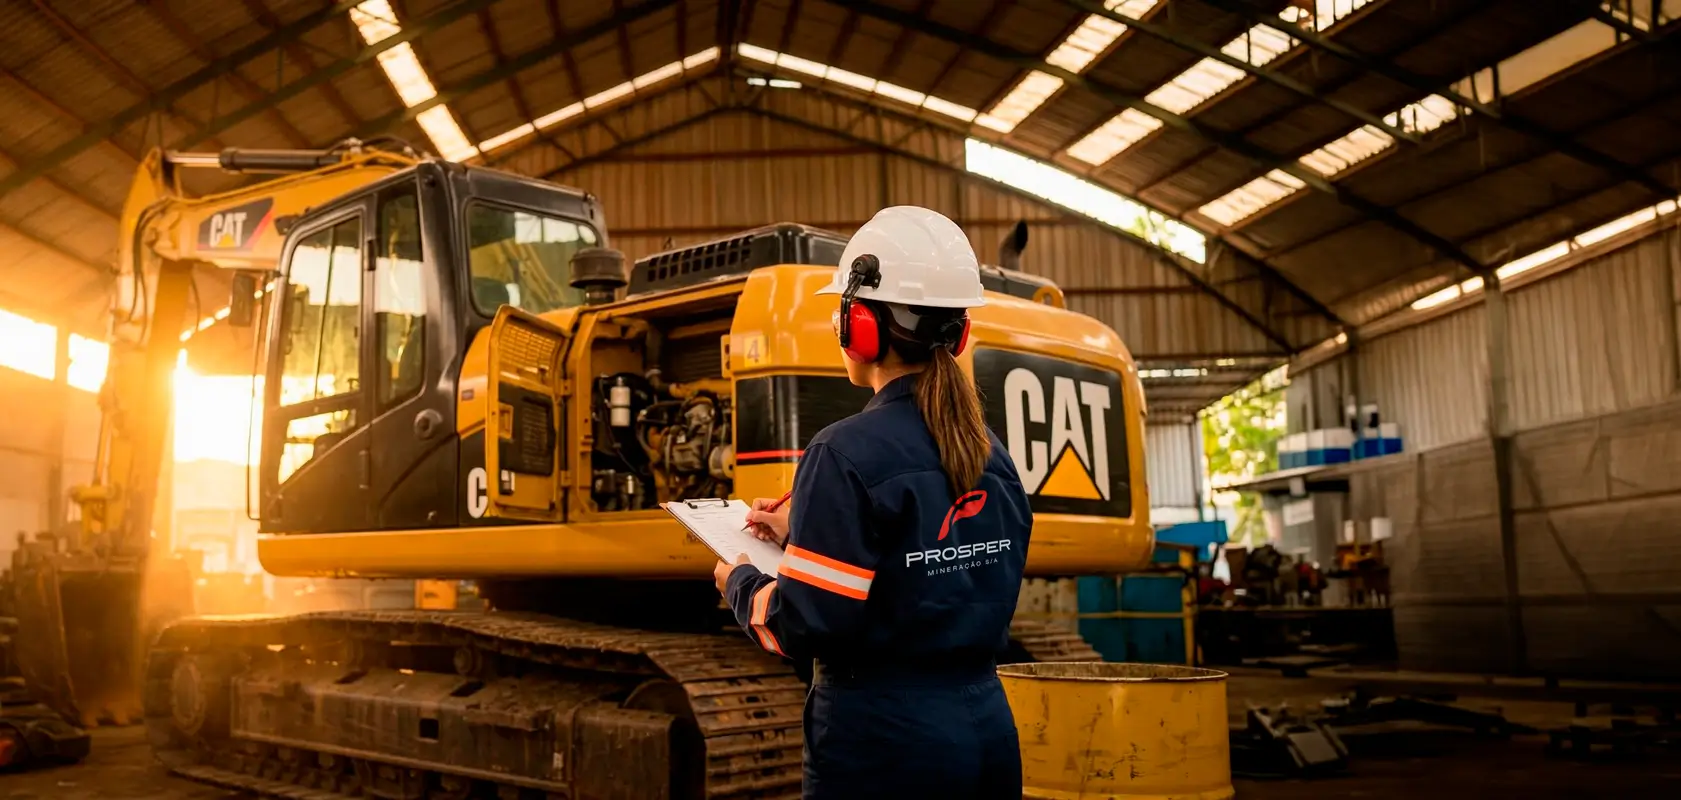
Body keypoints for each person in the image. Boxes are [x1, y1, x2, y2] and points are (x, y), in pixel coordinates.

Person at [712, 206, 1033, 799]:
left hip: (882, 745)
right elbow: (942, 567)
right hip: (986, 727)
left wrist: (739, 580)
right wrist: (807, 532)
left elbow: (803, 629)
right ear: (959, 334)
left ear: (857, 326)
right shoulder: (991, 452)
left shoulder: (842, 451)